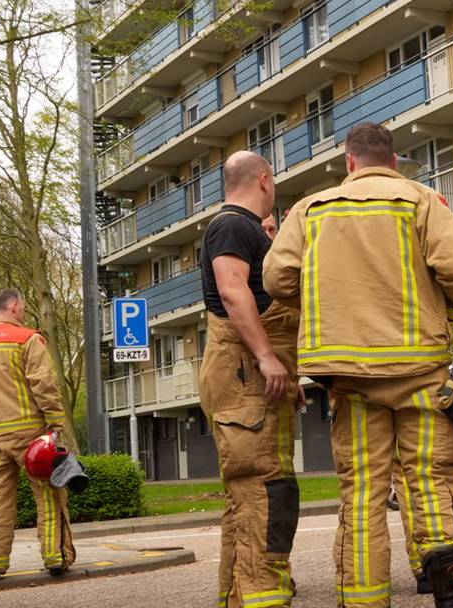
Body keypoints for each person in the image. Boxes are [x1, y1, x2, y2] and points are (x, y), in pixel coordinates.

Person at [263, 122, 453, 608]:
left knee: (362, 493)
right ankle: (448, 594)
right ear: (395, 161)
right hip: (420, 368)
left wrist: (325, 302)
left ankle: (364, 599)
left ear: (349, 162)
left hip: (350, 375)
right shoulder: (423, 201)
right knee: (432, 478)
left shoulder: (309, 209)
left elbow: (277, 279)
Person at [198, 151, 303, 608]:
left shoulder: (240, 228)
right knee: (265, 491)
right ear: (264, 180)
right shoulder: (233, 225)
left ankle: (238, 596)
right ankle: (263, 597)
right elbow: (232, 289)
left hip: (249, 379)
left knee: (249, 497)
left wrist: (282, 369)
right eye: (274, 182)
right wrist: (266, 357)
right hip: (245, 378)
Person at [0, 289, 75, 584]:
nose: (25, 311)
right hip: (30, 435)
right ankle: (57, 557)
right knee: (50, 495)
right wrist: (56, 423)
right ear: (14, 306)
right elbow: (44, 383)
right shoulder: (27, 339)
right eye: (24, 306)